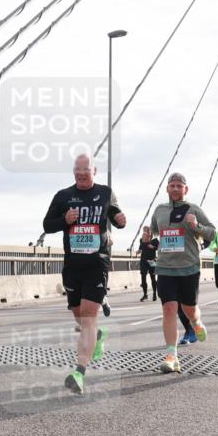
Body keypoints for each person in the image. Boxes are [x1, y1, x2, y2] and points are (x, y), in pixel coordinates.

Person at [43, 154, 126, 394]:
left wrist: (120, 221)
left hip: (96, 264)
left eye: (85, 170)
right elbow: (47, 225)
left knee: (88, 316)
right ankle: (97, 335)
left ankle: (79, 372)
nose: (81, 174)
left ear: (94, 171)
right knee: (79, 317)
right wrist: (64, 220)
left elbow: (116, 218)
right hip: (72, 266)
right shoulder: (63, 196)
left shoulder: (105, 192)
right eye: (77, 171)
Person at [150, 172, 215, 373]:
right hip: (166, 267)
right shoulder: (159, 210)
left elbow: (212, 233)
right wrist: (150, 241)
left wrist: (197, 226)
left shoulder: (194, 209)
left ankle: (196, 322)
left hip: (189, 267)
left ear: (186, 189)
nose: (176, 189)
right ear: (167, 188)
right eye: (173, 185)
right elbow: (154, 231)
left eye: (180, 186)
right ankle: (172, 356)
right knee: (169, 308)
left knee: (189, 309)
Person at [137, 226, 159, 302]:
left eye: (147, 231)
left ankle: (154, 293)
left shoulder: (155, 240)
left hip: (152, 261)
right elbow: (140, 248)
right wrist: (138, 251)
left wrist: (153, 247)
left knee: (153, 278)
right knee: (143, 278)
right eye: (144, 231)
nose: (145, 232)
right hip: (143, 261)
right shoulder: (141, 239)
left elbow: (160, 248)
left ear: (151, 232)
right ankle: (145, 294)